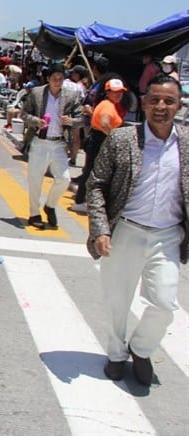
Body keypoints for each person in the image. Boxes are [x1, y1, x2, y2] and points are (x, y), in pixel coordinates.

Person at [86, 75, 188, 386]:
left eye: (169, 101)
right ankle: (116, 354)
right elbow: (96, 186)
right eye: (155, 100)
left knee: (165, 304)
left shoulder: (186, 143)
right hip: (125, 232)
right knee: (117, 299)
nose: (161, 106)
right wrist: (101, 229)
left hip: (168, 236)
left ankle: (141, 349)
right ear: (143, 104)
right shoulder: (121, 140)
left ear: (179, 106)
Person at [22, 63, 83, 229]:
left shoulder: (71, 96)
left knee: (64, 179)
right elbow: (24, 113)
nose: (57, 82)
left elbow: (82, 118)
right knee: (35, 179)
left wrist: (72, 121)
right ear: (48, 79)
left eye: (60, 79)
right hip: (40, 141)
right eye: (54, 78)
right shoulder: (37, 93)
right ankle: (34, 213)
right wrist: (36, 121)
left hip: (58, 143)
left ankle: (50, 205)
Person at [71, 78, 127, 213]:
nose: (118, 94)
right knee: (92, 172)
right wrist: (116, 138)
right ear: (108, 92)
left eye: (120, 92)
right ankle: (80, 200)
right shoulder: (108, 105)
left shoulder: (109, 104)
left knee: (92, 171)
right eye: (114, 92)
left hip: (99, 139)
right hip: (100, 140)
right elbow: (104, 123)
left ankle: (83, 199)